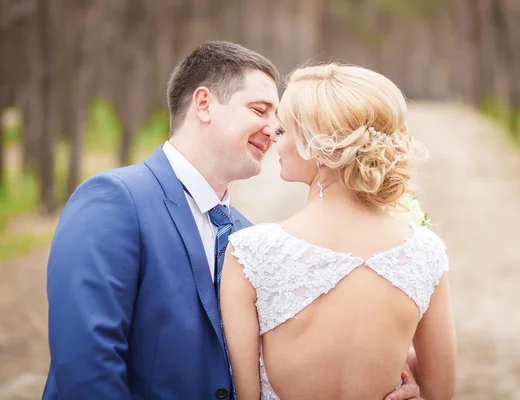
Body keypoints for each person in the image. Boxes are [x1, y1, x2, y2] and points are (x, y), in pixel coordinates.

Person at [42, 42, 420, 399]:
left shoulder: (247, 237)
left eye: (280, 119)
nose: (275, 130)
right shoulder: (115, 200)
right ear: (204, 104)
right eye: (260, 110)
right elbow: (86, 360)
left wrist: (395, 372)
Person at [221, 63, 456, 400]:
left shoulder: (250, 254)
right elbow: (440, 393)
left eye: (284, 130)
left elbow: (244, 394)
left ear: (316, 147)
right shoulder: (425, 252)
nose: (274, 137)